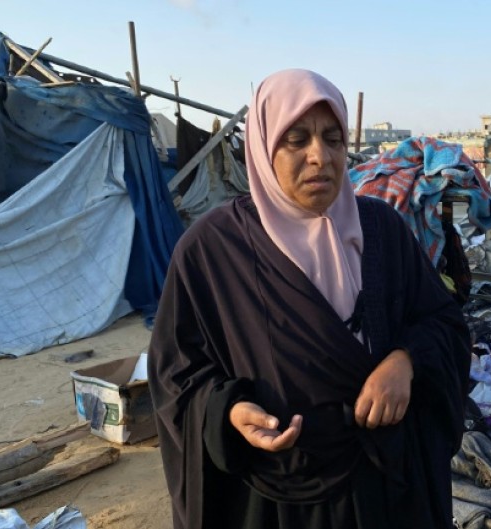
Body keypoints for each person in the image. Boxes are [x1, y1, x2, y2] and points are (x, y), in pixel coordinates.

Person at [148, 69, 471, 529]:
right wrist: (230, 412)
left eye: (333, 139)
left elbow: (444, 322)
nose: (320, 156)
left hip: (387, 486)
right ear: (262, 148)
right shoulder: (213, 249)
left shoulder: (382, 231)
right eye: (296, 140)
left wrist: (405, 361)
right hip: (277, 502)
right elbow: (177, 375)